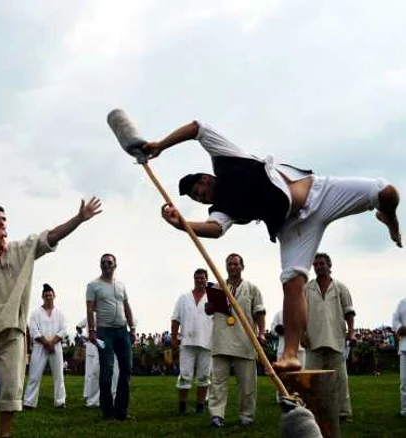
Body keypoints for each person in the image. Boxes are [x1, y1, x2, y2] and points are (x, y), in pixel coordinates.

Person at [148, 120, 400, 372]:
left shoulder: (227, 158)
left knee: (387, 193)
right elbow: (214, 230)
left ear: (206, 178)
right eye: (195, 198)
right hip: (293, 229)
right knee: (292, 283)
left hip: (319, 192)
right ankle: (290, 354)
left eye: (197, 190)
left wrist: (160, 145)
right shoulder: (222, 208)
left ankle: (388, 217)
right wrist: (181, 224)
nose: (200, 197)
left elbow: (196, 128)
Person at [0, 198, 102, 438]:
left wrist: (79, 218)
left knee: (11, 386)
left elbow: (52, 236)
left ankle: (4, 434)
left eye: (4, 219)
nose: (2, 223)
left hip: (12, 331)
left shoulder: (22, 248)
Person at [207, 254, 265, 428]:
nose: (232, 267)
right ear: (226, 267)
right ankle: (216, 416)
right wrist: (210, 305)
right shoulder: (218, 286)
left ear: (242, 266)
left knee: (247, 383)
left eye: (235, 264)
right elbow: (208, 310)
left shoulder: (252, 288)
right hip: (221, 338)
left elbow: (260, 313)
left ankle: (246, 416)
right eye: (229, 264)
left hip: (245, 339)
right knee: (218, 382)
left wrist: (261, 333)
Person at [304, 253, 355, 422]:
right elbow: (301, 313)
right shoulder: (307, 288)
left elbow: (349, 311)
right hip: (313, 338)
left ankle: (343, 413)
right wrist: (302, 334)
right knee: (311, 379)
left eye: (322, 263)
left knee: (340, 379)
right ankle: (311, 411)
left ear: (329, 265)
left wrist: (351, 331)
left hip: (336, 338)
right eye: (316, 264)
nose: (319, 267)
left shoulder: (340, 287)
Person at [86, 253, 136, 421]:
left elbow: (127, 306)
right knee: (106, 370)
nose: (106, 265)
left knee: (127, 369)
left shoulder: (121, 285)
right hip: (104, 332)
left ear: (115, 265)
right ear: (100, 266)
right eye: (103, 263)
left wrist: (133, 327)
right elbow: (89, 309)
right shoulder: (93, 285)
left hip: (122, 331)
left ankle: (121, 411)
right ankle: (108, 412)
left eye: (109, 262)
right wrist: (92, 331)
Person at [170, 268, 213, 416]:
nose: (200, 280)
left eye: (203, 278)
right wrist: (174, 339)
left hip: (207, 342)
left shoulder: (212, 297)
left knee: (203, 376)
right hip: (187, 342)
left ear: (207, 279)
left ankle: (200, 406)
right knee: (185, 375)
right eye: (197, 278)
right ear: (194, 279)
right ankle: (182, 407)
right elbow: (175, 319)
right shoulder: (184, 298)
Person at [23, 283, 67, 409]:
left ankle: (60, 401)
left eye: (50, 295)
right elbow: (33, 331)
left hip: (56, 347)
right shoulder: (36, 313)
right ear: (42, 297)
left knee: (59, 376)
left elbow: (63, 330)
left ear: (54, 296)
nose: (48, 297)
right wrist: (46, 343)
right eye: (46, 295)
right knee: (34, 375)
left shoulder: (60, 313)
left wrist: (52, 342)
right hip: (39, 346)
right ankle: (29, 402)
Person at [76, 316, 118, 408]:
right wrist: (84, 337)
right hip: (93, 344)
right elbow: (78, 326)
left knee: (113, 372)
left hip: (109, 343)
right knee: (93, 373)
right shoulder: (91, 315)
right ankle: (93, 401)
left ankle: (113, 399)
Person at [393, 296, 406, 417]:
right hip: (404, 347)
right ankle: (404, 410)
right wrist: (399, 328)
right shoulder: (402, 302)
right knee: (404, 381)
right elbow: (395, 320)